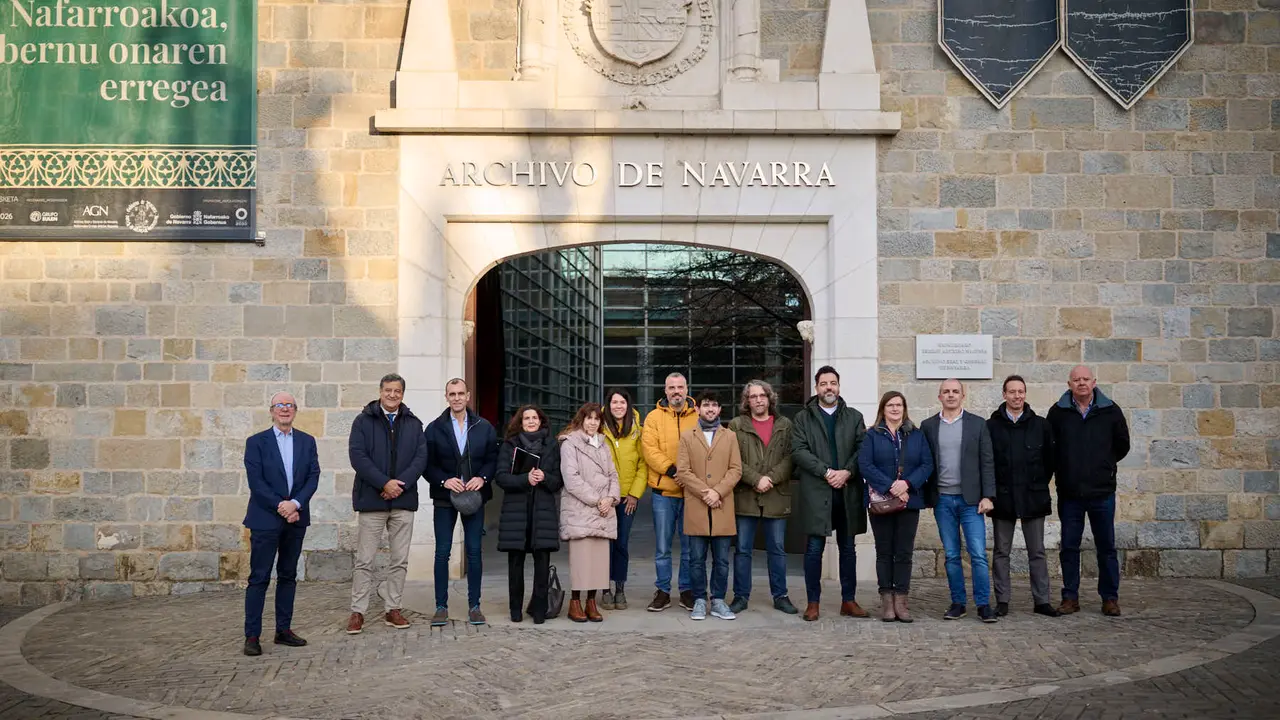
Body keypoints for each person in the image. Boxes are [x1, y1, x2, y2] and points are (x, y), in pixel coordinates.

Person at [346, 373, 429, 634]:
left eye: (397, 391)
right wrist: (384, 483)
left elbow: (420, 457)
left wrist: (398, 484)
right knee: (365, 560)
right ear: (380, 391)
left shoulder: (414, 424)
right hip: (372, 499)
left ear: (403, 394)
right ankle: (357, 611)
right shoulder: (363, 421)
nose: (393, 395)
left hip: (403, 500)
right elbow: (358, 457)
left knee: (399, 560)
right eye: (388, 390)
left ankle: (393, 608)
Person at [1047, 365, 1130, 617]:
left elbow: (1122, 446)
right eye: (1076, 379)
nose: (1081, 383)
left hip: (1102, 493)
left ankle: (1110, 598)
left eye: (1085, 379)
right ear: (1069, 383)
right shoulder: (1058, 412)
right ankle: (1070, 597)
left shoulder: (1111, 411)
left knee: (1106, 547)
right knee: (1069, 547)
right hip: (1070, 493)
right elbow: (1051, 448)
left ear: (1094, 382)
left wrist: (1103, 466)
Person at [241, 392, 320, 656]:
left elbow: (313, 476)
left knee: (288, 576)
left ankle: (283, 630)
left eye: (289, 405)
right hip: (265, 519)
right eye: (280, 405)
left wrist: (295, 504)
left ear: (295, 410)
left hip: (296, 519)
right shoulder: (256, 443)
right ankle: (252, 635)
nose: (285, 409)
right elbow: (257, 483)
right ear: (271, 410)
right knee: (259, 577)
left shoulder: (307, 442)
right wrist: (282, 506)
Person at [791, 366, 870, 622]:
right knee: (814, 549)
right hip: (817, 492)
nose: (829, 388)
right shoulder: (803, 418)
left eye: (833, 383)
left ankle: (848, 600)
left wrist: (846, 472)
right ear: (816, 388)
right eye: (824, 383)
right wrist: (827, 472)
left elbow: (862, 450)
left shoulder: (854, 417)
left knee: (848, 549)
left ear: (838, 386)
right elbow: (799, 451)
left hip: (847, 492)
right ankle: (812, 603)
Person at [423, 378, 499, 627]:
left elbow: (493, 458)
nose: (456, 398)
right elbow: (426, 464)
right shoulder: (434, 428)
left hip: (474, 497)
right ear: (446, 397)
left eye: (460, 393)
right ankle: (440, 606)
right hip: (445, 499)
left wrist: (483, 478)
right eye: (451, 394)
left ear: (468, 396)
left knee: (474, 552)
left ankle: (475, 606)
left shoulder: (484, 426)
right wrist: (444, 481)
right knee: (442, 552)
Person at [921, 379, 998, 623]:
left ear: (963, 395)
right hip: (943, 499)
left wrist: (988, 496)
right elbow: (923, 461)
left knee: (977, 554)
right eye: (946, 392)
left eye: (955, 391)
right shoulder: (928, 426)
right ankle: (958, 603)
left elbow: (987, 462)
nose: (951, 395)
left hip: (971, 501)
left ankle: (984, 604)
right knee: (952, 554)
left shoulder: (978, 424)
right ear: (939, 396)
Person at [988, 375, 1061, 618]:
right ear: (1004, 394)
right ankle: (1003, 600)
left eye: (1021, 391)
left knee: (1037, 551)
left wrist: (1037, 483)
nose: (1017, 396)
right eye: (1012, 392)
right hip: (1003, 497)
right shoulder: (992, 426)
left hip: (1033, 497)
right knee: (1001, 552)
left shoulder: (1040, 425)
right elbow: (988, 462)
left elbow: (1050, 461)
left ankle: (1042, 600)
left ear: (1025, 394)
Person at [859, 391, 933, 623]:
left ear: (904, 408)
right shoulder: (871, 435)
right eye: (890, 405)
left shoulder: (916, 435)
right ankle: (887, 601)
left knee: (903, 551)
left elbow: (927, 464)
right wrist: (890, 485)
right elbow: (865, 464)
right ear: (883, 408)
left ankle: (901, 599)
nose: (895, 409)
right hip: (882, 501)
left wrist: (907, 484)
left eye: (899, 405)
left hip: (908, 501)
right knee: (884, 551)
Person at [726, 380, 798, 615]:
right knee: (743, 550)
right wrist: (756, 479)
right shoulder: (736, 425)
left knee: (777, 549)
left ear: (770, 398)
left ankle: (781, 595)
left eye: (762, 396)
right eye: (753, 396)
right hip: (745, 495)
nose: (758, 400)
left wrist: (770, 479)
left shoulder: (785, 425)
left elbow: (791, 457)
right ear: (746, 401)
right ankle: (740, 596)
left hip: (776, 494)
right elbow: (733, 459)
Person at [677, 390, 742, 621]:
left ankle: (718, 600)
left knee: (722, 559)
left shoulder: (730, 436)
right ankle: (698, 600)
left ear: (720, 410)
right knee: (696, 559)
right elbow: (683, 471)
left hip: (722, 504)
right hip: (697, 504)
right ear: (697, 409)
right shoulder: (687, 437)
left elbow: (736, 469)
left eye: (714, 405)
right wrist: (706, 492)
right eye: (706, 405)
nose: (710, 409)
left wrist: (718, 491)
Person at [495, 405, 564, 624]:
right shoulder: (510, 445)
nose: (531, 421)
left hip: (542, 512)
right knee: (515, 566)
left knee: (542, 565)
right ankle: (515, 610)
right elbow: (501, 477)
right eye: (527, 418)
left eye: (535, 418)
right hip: (517, 512)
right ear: (520, 422)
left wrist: (544, 477)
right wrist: (526, 479)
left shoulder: (552, 446)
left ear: (541, 421)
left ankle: (540, 611)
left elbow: (558, 481)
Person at [641, 372, 699, 612]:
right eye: (671, 387)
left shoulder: (698, 416)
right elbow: (649, 449)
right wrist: (673, 470)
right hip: (663, 493)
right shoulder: (653, 417)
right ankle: (663, 591)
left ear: (687, 389)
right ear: (665, 391)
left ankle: (686, 590)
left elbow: (706, 447)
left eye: (680, 387)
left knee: (689, 547)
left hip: (691, 493)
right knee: (663, 547)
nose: (676, 391)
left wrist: (689, 475)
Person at [559, 403, 621, 623]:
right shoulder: (570, 444)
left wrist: (611, 498)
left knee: (598, 561)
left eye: (597, 419)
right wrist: (598, 500)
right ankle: (575, 602)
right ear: (581, 420)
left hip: (604, 510)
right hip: (582, 508)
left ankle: (591, 602)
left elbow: (614, 474)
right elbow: (572, 479)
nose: (593, 422)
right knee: (581, 559)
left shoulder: (604, 445)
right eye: (589, 418)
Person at [601, 388, 647, 611]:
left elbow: (643, 464)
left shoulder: (638, 429)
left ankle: (619, 589)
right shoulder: (598, 426)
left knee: (621, 544)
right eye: (614, 402)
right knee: (603, 545)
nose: (618, 406)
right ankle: (604, 589)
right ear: (608, 405)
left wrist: (635, 494)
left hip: (627, 497)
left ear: (628, 406)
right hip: (604, 497)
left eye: (622, 402)